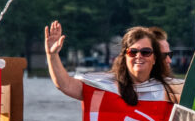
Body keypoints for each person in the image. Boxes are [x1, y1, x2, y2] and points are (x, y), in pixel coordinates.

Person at [44, 22, 179, 105]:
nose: (139, 56)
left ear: (154, 58)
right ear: (125, 56)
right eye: (133, 52)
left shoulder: (171, 90)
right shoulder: (105, 87)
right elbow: (65, 85)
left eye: (145, 52)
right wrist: (52, 55)